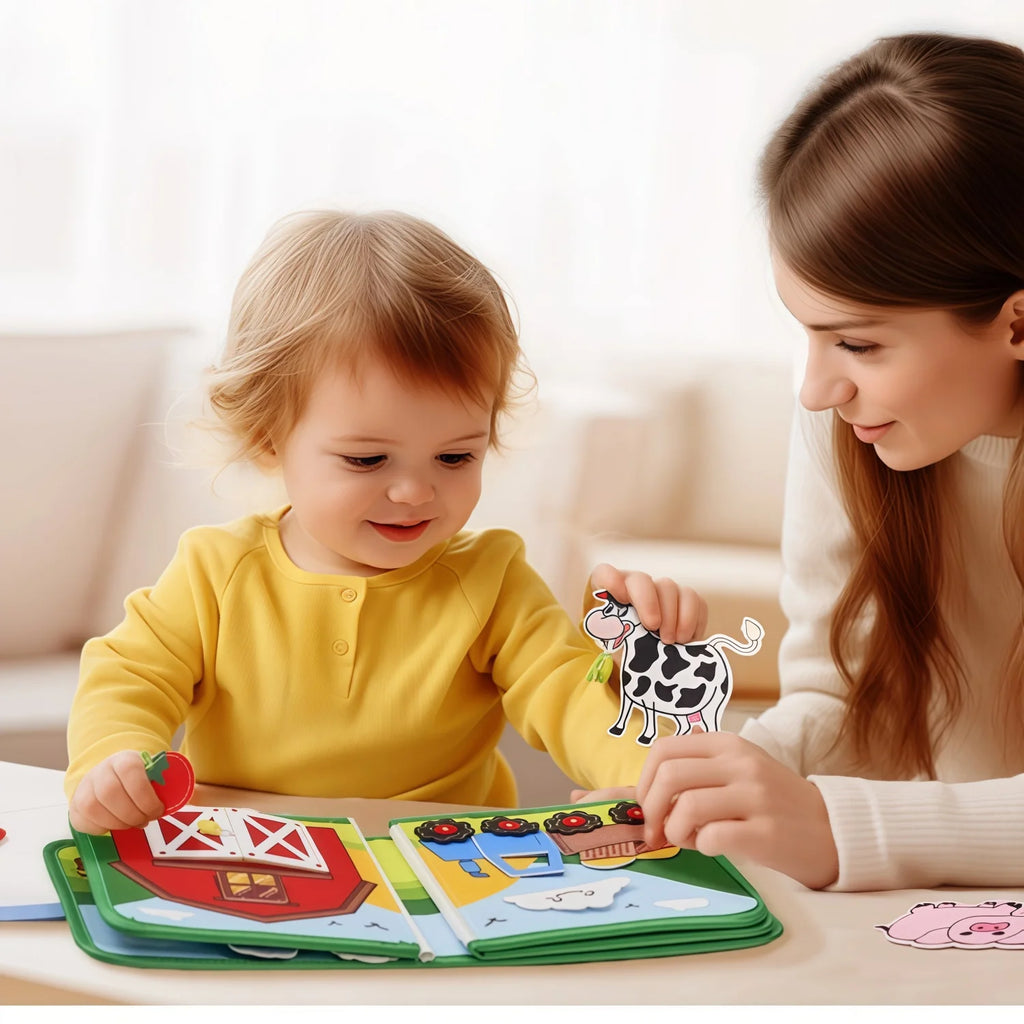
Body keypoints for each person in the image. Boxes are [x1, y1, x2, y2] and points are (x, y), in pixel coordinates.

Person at [64, 209, 707, 835]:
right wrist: (113, 762)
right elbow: (130, 675)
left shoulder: (493, 580)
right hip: (246, 850)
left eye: (455, 457)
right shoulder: (215, 570)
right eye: (367, 459)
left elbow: (565, 690)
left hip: (445, 864)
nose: (414, 492)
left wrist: (646, 769)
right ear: (266, 439)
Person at [589, 31, 1024, 892]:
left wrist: (841, 826)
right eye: (808, 336)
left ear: (1016, 322)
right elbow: (839, 697)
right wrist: (718, 779)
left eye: (857, 343)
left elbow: (845, 815)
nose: (818, 390)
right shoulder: (850, 425)